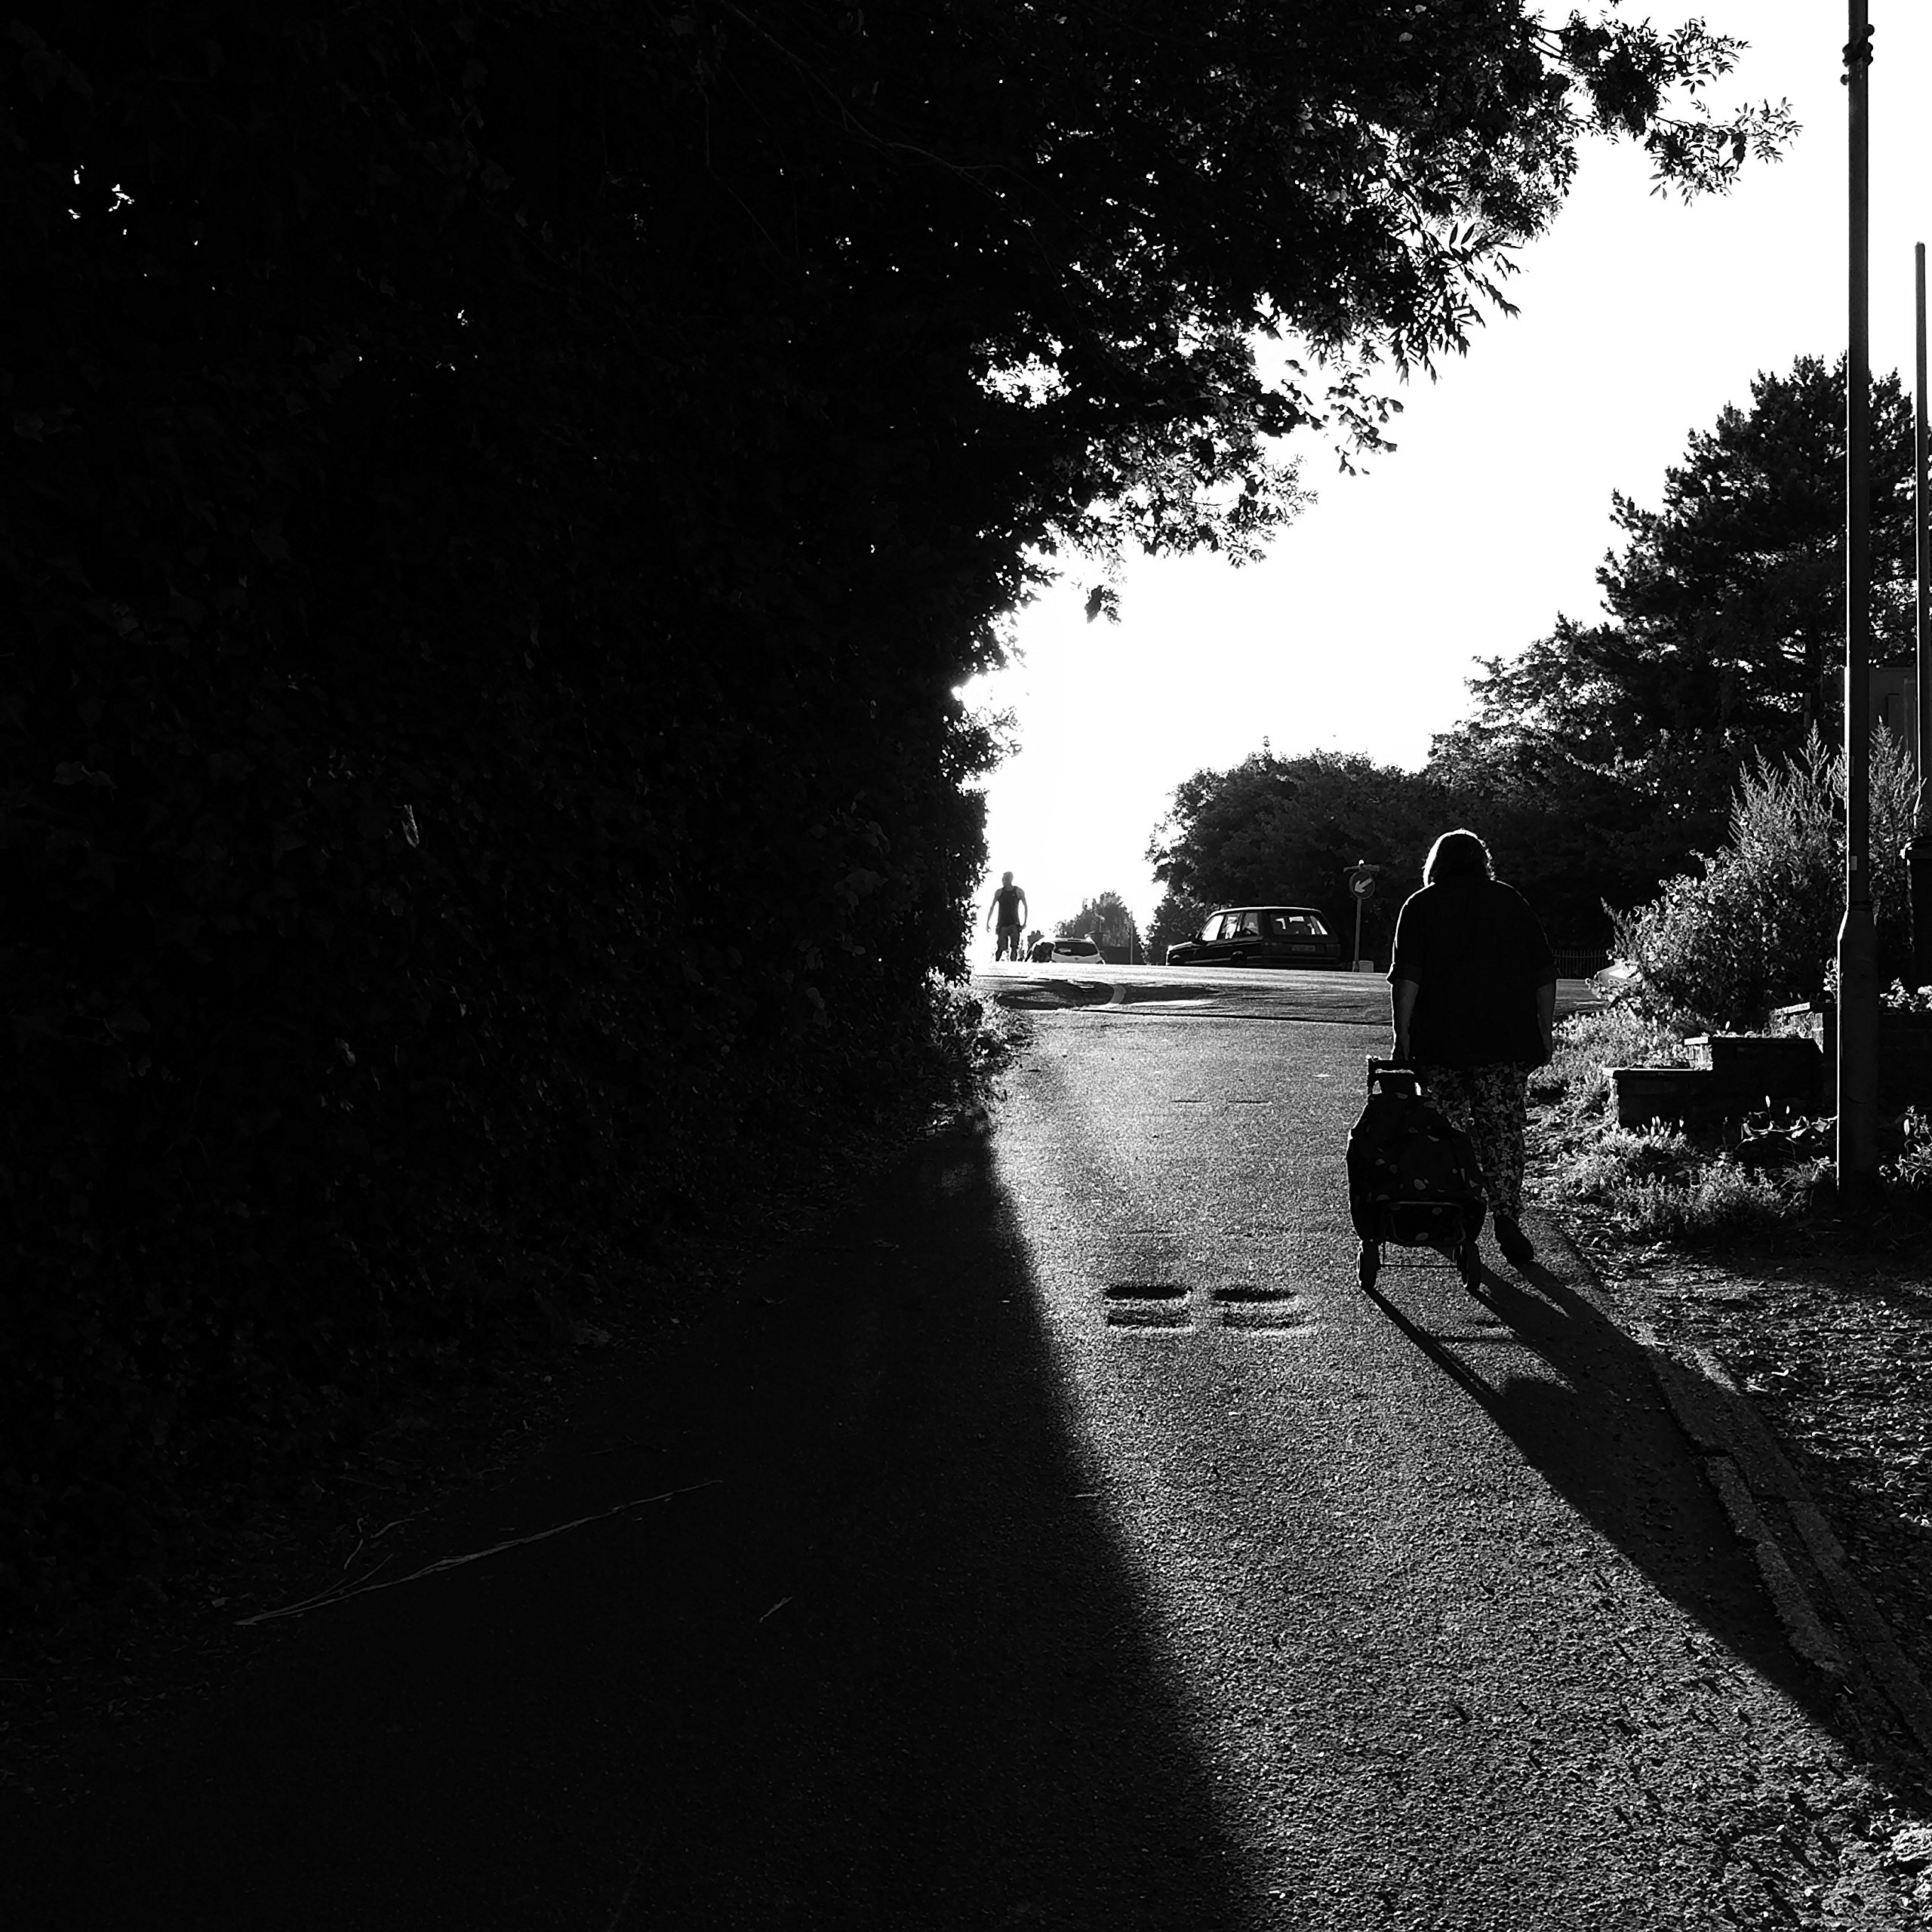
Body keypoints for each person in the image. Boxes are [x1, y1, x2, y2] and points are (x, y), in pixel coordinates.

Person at [1387, 829, 1555, 1269]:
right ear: (1482, 861)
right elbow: (1543, 973)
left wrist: (1401, 1035)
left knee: (1449, 1132)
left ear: (1435, 864)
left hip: (1440, 1043)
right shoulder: (1510, 902)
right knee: (1502, 1130)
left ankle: (1459, 1217)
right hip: (1504, 1041)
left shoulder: (1420, 906)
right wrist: (1545, 1030)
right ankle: (1506, 1217)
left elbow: (1408, 978)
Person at [986, 872, 1029, 961]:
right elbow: (992, 907)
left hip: (1014, 923)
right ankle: (996, 964)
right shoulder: (999, 892)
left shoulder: (1018, 891)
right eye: (1003, 879)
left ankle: (1013, 965)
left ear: (1011, 880)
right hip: (1002, 924)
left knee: (1014, 947)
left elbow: (1025, 906)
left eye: (1006, 879)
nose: (1004, 882)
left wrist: (1025, 922)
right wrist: (987, 922)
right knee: (1001, 947)